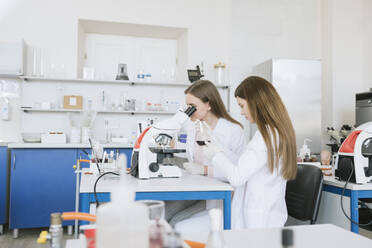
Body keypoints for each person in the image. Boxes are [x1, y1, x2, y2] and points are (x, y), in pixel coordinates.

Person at [199, 76, 298, 229]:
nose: (242, 112)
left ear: (256, 102)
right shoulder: (273, 132)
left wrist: (215, 154)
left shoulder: (266, 137)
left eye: (242, 106)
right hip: (265, 215)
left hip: (257, 220)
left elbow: (237, 177)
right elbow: (245, 163)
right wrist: (216, 147)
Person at [166, 80, 246, 228]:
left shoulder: (233, 131)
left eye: (193, 107)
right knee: (164, 215)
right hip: (197, 190)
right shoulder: (194, 127)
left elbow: (238, 172)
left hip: (218, 196)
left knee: (177, 223)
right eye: (187, 106)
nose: (188, 110)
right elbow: (196, 151)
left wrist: (205, 170)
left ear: (208, 104)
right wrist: (174, 144)